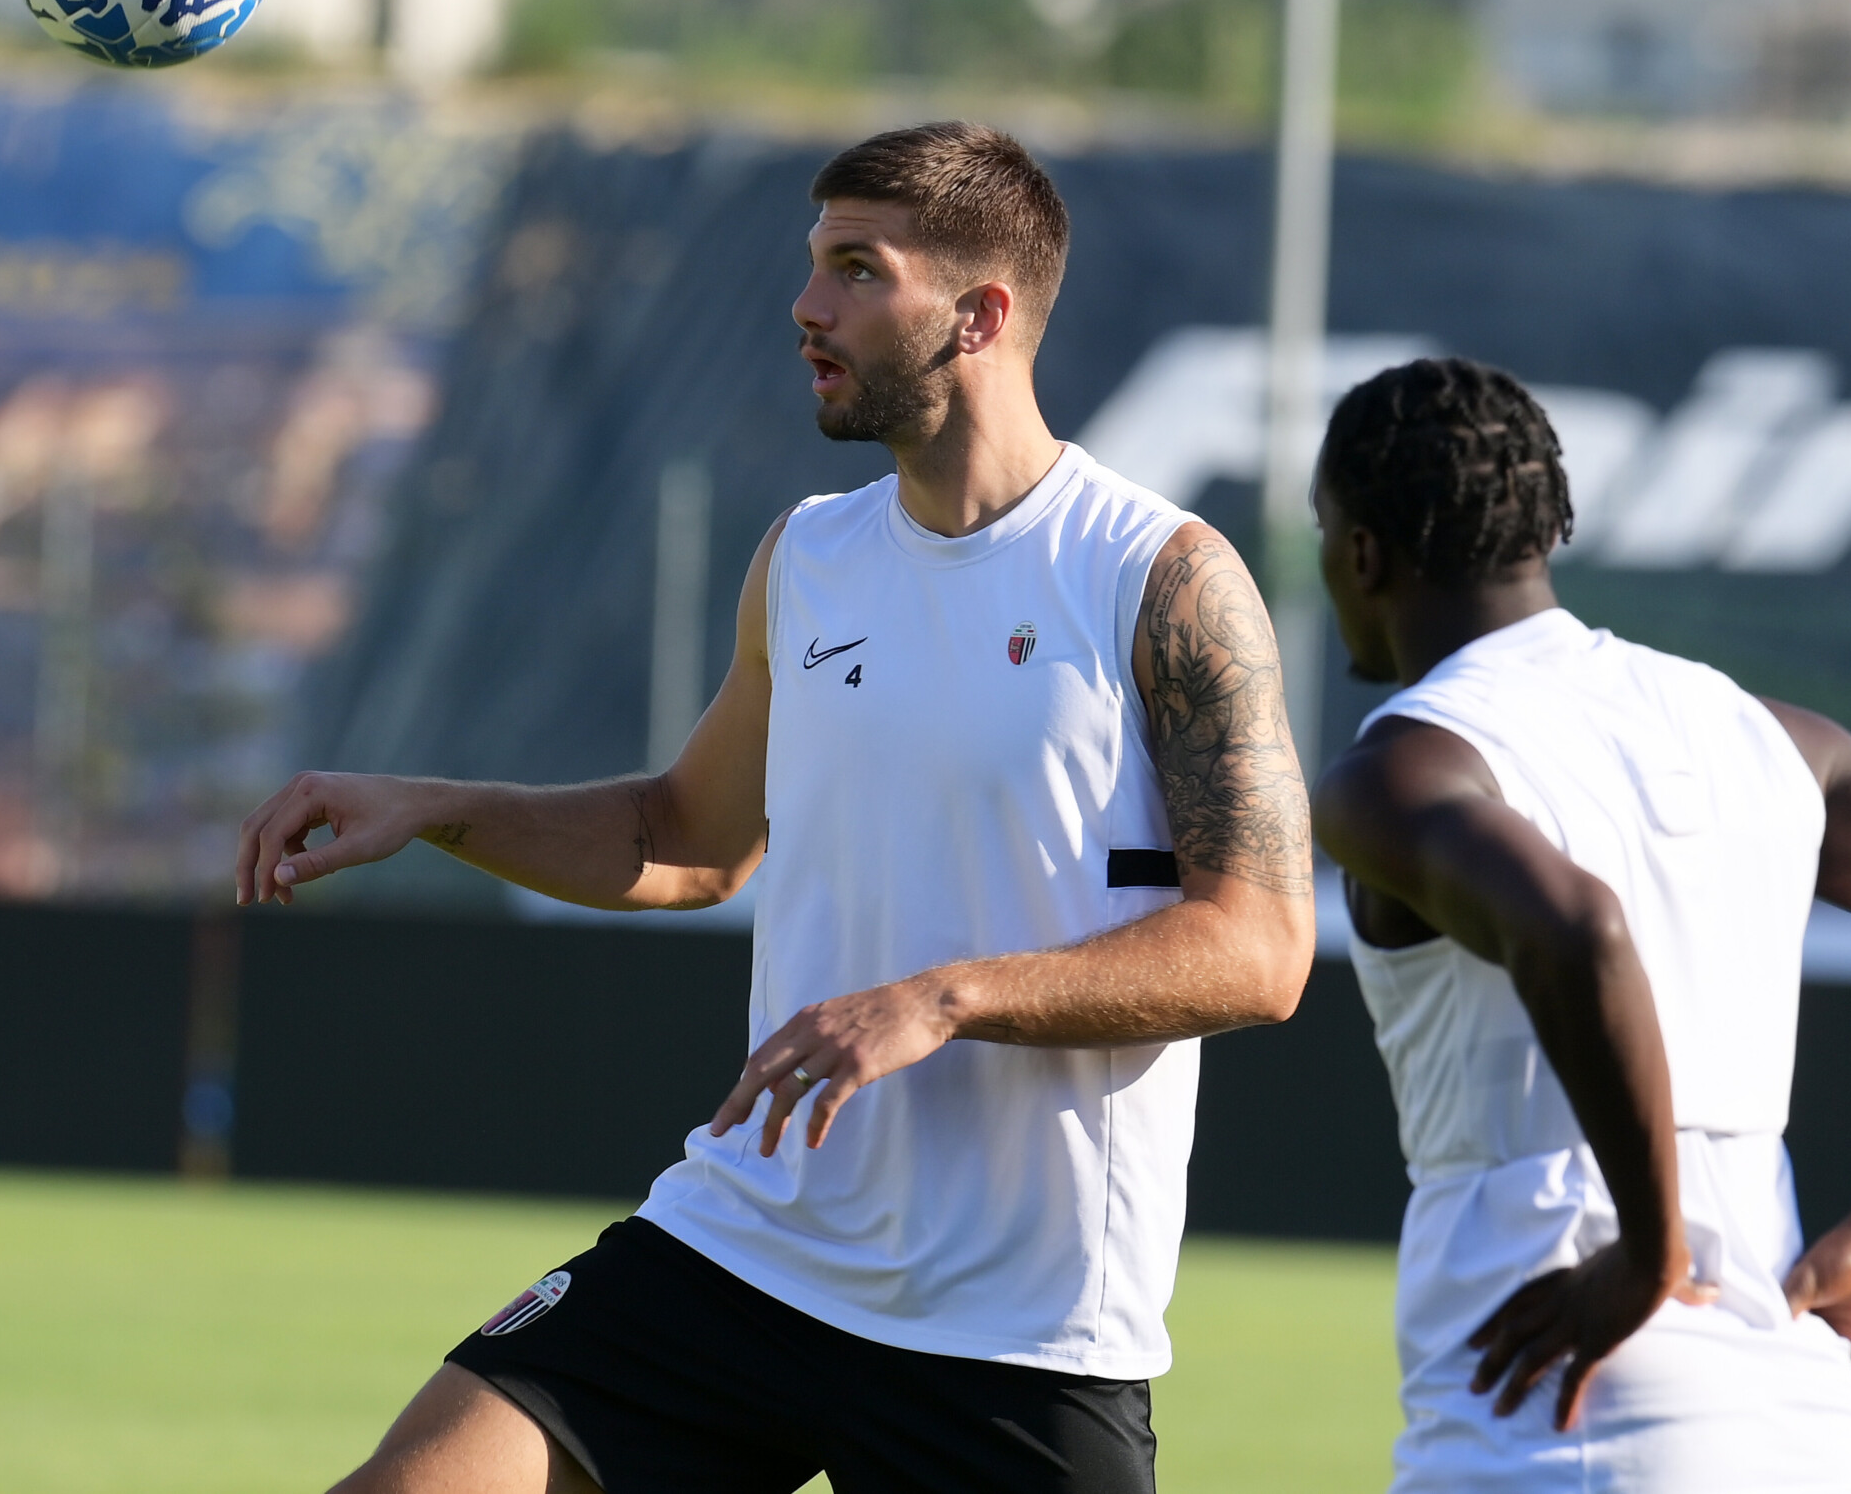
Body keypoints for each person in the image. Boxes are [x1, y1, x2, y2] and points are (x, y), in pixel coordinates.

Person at [236, 122, 1319, 1494]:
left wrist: (941, 997)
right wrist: (435, 805)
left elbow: (1263, 947)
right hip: (744, 1248)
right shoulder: (807, 557)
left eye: (859, 270)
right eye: (815, 264)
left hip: (1017, 1332)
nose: (808, 307)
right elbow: (682, 841)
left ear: (980, 315)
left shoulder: (1158, 576)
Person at [1309, 356, 1851, 1492]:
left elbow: (1578, 932)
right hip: (1787, 1408)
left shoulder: (1398, 769)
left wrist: (1648, 1256)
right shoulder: (1757, 732)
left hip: (1558, 1389)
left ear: (1358, 553)